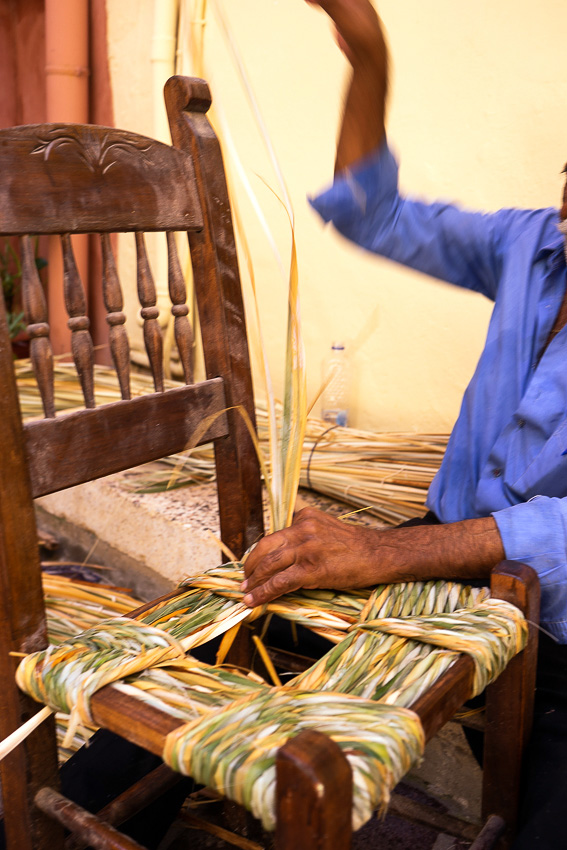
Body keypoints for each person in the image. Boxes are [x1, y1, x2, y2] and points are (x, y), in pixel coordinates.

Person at [242, 2, 567, 847]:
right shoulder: (530, 246)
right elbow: (370, 212)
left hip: (561, 630)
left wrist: (385, 549)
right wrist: (371, 62)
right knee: (241, 647)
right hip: (440, 566)